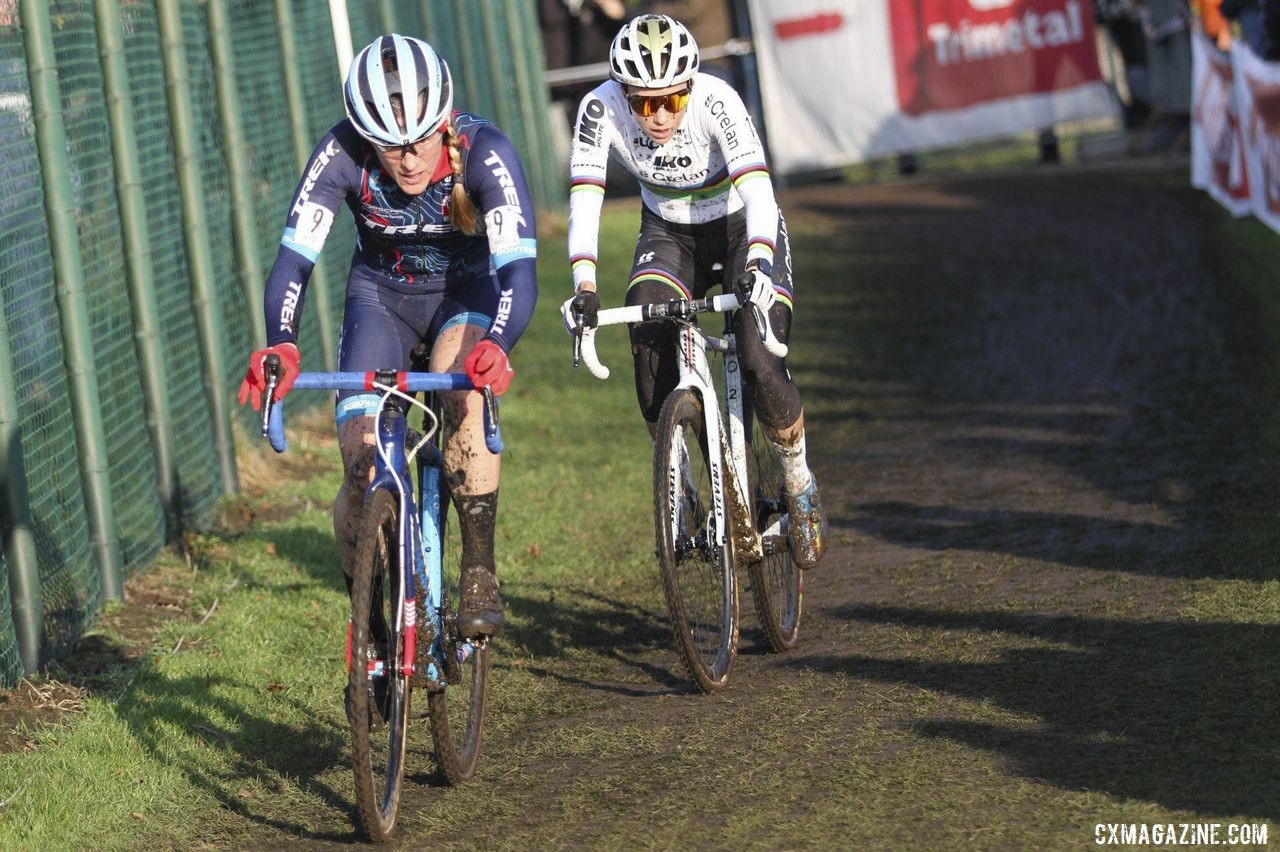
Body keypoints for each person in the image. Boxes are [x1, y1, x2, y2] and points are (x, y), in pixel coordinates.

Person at [237, 34, 538, 638]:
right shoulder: (340, 154)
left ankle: (478, 567)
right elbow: (294, 261)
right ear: (364, 137)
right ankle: (370, 621)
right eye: (389, 147)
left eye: (421, 141)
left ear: (445, 123)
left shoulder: (485, 152)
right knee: (359, 461)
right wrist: (283, 341)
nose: (407, 160)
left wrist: (497, 344)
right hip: (381, 299)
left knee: (463, 400)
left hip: (466, 297)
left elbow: (519, 274)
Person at [560, 14, 828, 569]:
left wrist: (757, 260)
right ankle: (680, 483)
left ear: (689, 89)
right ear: (622, 94)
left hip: (738, 228)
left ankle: (799, 483)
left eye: (671, 102)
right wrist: (584, 284)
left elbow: (757, 188)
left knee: (758, 361)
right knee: (648, 337)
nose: (658, 116)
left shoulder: (718, 99)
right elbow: (585, 195)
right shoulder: (597, 108)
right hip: (668, 232)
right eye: (643, 103)